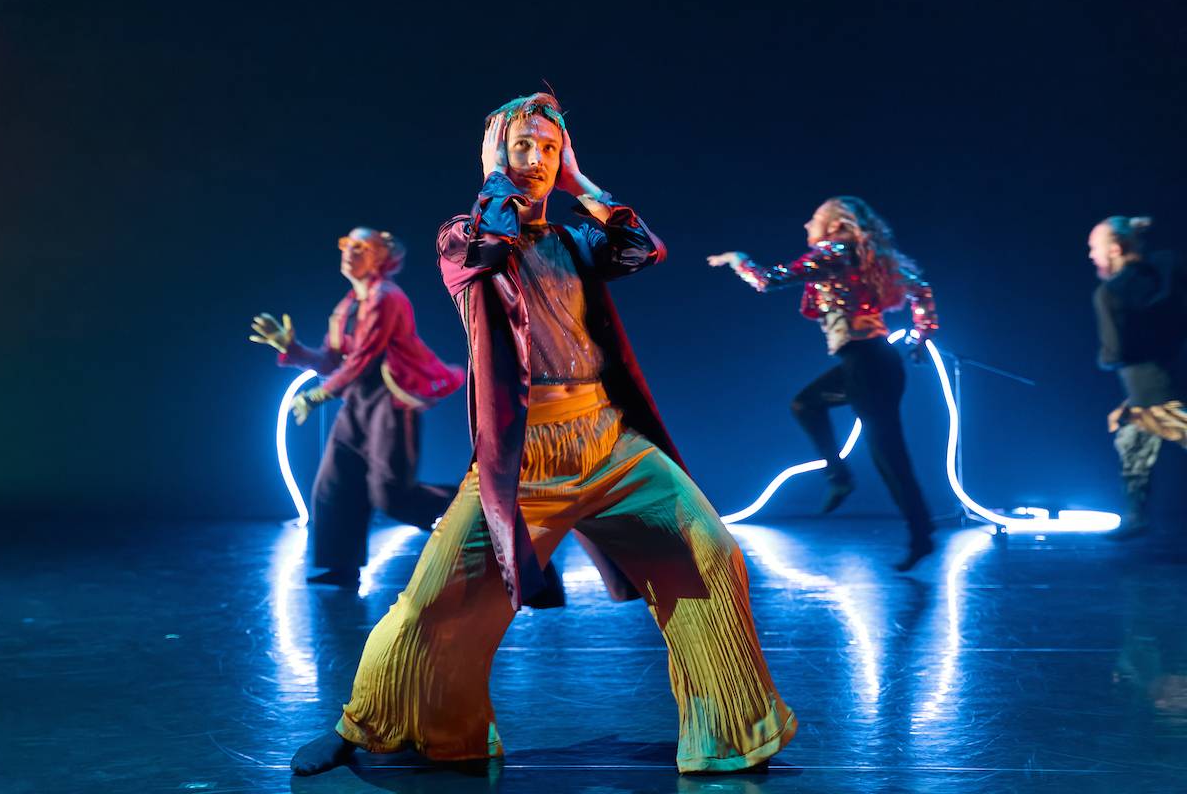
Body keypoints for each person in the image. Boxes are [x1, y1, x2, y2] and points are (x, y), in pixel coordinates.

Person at [290, 93, 796, 776]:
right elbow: (484, 250)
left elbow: (642, 248)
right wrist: (503, 175)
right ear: (495, 155)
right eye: (521, 146)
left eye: (548, 149)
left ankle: (730, 733)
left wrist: (581, 184)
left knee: (708, 554)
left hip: (611, 443)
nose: (536, 161)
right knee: (437, 595)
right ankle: (367, 725)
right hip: (526, 456)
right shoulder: (460, 237)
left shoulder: (571, 241)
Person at [708, 196, 939, 571]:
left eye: (814, 219)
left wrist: (738, 260)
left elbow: (769, 280)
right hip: (872, 362)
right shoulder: (866, 258)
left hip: (867, 364)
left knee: (888, 455)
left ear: (833, 226)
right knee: (807, 406)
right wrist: (921, 337)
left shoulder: (832, 252)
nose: (806, 226)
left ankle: (918, 532)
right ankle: (847, 481)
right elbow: (920, 288)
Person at [250, 228, 465, 586]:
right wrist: (291, 346)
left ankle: (475, 512)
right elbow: (333, 361)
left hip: (391, 403)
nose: (349, 252)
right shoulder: (349, 305)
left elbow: (364, 358)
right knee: (335, 484)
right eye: (345, 245)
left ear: (381, 256)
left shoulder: (387, 298)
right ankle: (342, 566)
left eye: (361, 247)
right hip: (357, 403)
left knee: (391, 494)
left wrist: (318, 396)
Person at [1088, 216, 1187, 540]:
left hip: (1154, 394)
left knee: (1134, 440)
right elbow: (1167, 259)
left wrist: (1105, 359)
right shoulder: (1161, 272)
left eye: (1095, 248)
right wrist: (1137, 234)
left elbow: (1114, 352)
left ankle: (1135, 517)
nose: (1091, 255)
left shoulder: (1109, 293)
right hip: (1161, 384)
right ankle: (1135, 517)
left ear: (1115, 249)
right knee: (1130, 441)